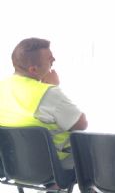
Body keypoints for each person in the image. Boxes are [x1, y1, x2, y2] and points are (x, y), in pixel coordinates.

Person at [0, 38, 88, 174]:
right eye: (50, 60)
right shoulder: (48, 93)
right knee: (97, 152)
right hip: (54, 165)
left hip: (11, 164)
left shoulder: (3, 87)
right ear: (33, 69)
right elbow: (81, 124)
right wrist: (52, 86)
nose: (54, 60)